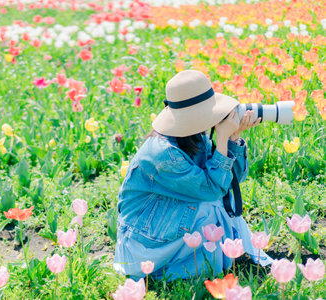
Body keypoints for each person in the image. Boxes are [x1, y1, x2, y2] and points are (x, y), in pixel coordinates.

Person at [113, 70, 273, 281]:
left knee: (219, 202)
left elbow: (231, 181)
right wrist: (223, 137)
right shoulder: (162, 153)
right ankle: (178, 271)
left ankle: (226, 257)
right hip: (144, 247)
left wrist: (233, 139)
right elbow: (211, 190)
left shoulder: (195, 137)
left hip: (167, 225)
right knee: (210, 206)